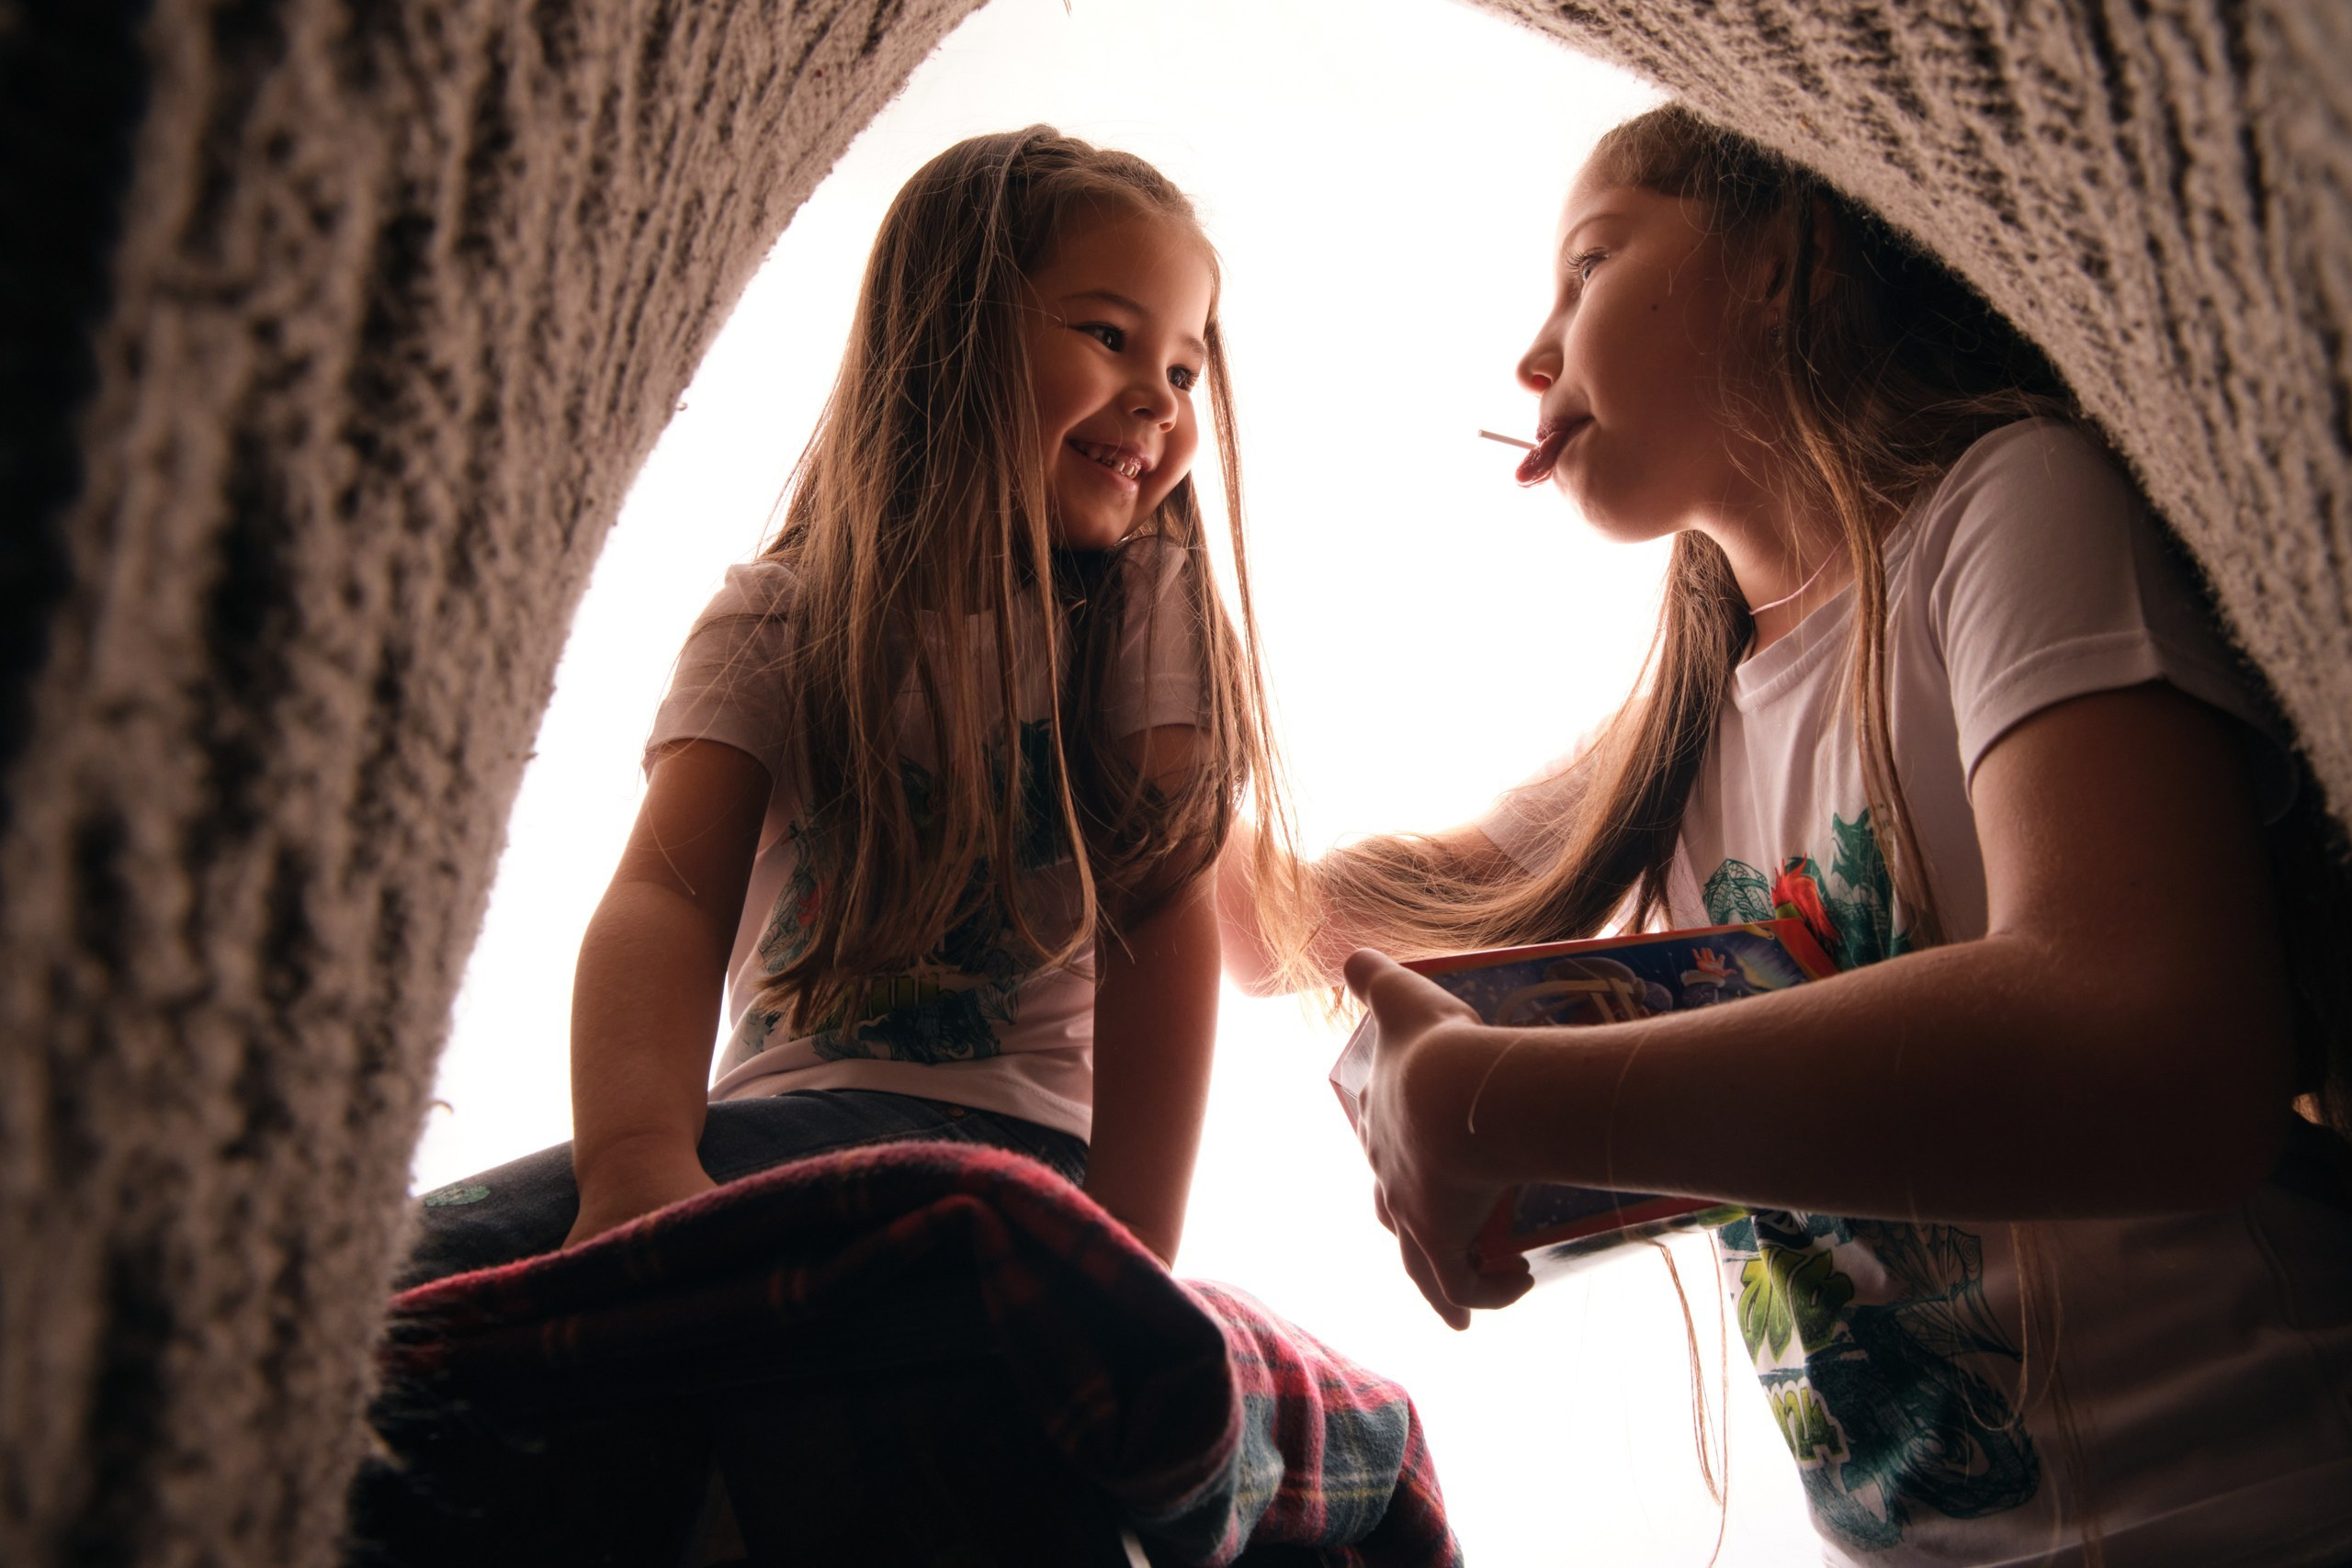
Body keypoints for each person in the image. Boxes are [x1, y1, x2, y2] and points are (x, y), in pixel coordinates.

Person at [1221, 105, 2352, 1564]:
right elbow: (1269, 929)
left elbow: (2168, 1047)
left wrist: (1518, 1098)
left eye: (1588, 265)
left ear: (1785, 261)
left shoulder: (2010, 507)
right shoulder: (1668, 746)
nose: (1533, 352)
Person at [405, 127, 1290, 1285]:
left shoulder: (1139, 609)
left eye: (1182, 370)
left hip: (1018, 1150)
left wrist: (1129, 1255)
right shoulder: (777, 619)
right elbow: (665, 899)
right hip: (762, 1135)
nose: (1158, 402)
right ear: (952, 335)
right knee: (404, 1264)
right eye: (1110, 336)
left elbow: (1163, 901)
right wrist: (635, 1163)